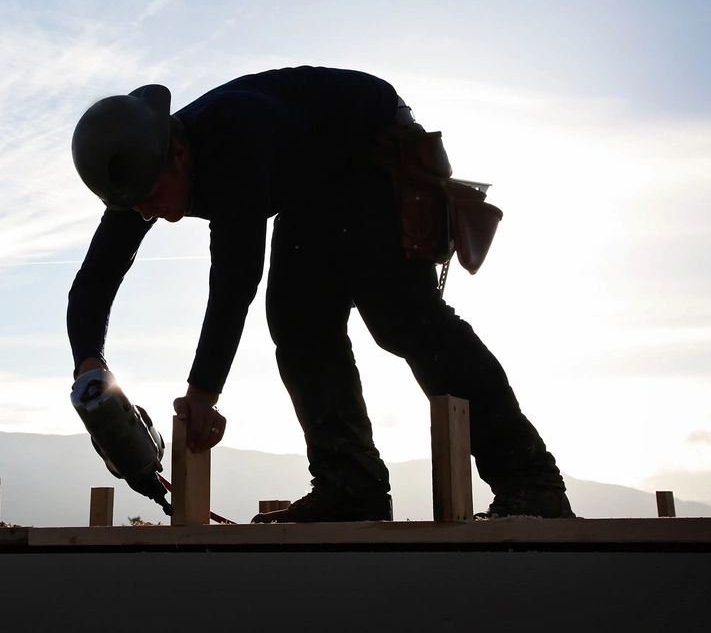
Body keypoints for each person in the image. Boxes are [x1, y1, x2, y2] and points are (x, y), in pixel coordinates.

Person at [67, 65, 574, 521]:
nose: (148, 214)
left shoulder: (233, 140)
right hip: (308, 182)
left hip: (370, 147)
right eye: (135, 207)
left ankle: (530, 482)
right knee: (297, 321)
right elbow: (94, 280)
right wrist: (90, 368)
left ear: (177, 154)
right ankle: (351, 488)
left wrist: (203, 393)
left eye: (153, 198)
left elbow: (235, 278)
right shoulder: (138, 176)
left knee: (403, 315)